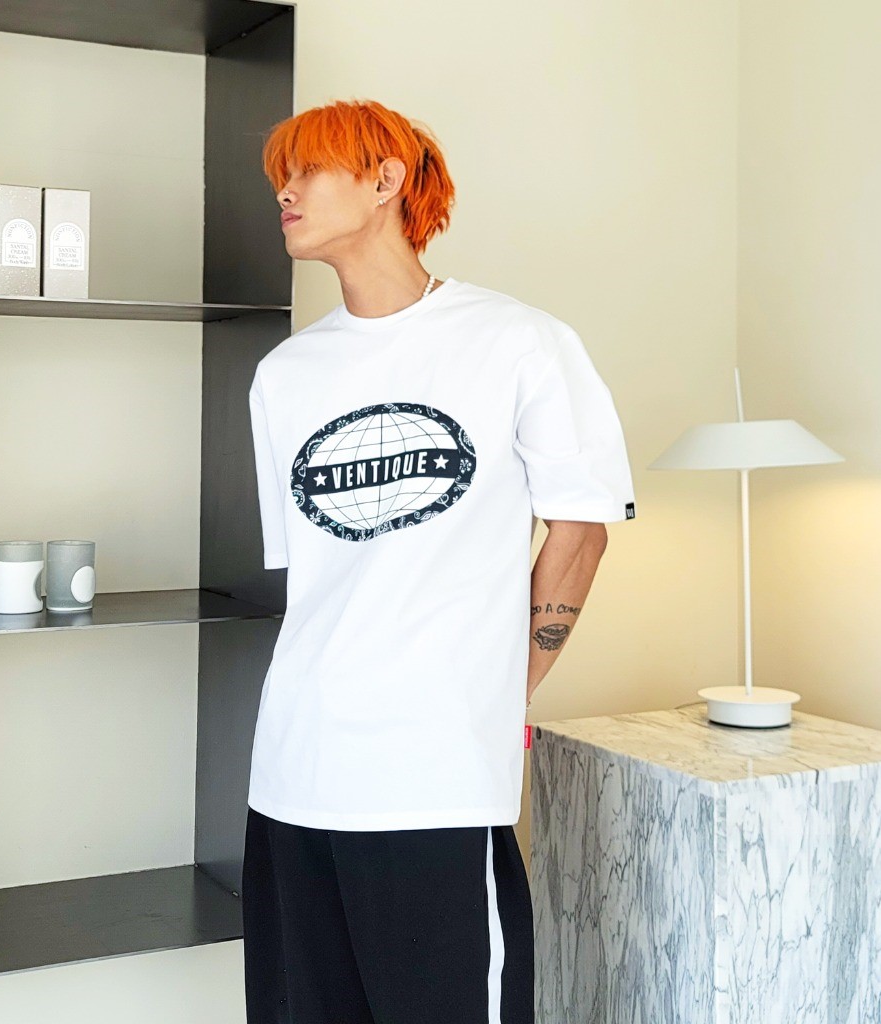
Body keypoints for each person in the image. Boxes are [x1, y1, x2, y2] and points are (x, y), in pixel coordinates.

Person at [242, 98, 634, 1024]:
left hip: (434, 782)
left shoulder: (518, 341)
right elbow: (317, 578)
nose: (285, 193)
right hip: (293, 772)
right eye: (280, 178)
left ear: (386, 179)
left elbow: (580, 529)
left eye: (307, 170)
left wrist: (499, 683)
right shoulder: (284, 375)